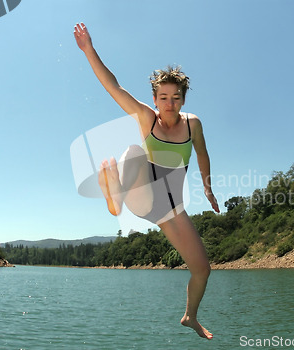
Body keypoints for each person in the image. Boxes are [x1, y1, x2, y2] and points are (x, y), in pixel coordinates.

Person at [73, 22, 220, 340]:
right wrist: (89, 50)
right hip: (141, 196)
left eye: (175, 98)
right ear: (155, 99)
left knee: (202, 269)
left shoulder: (193, 125)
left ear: (183, 100)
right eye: (163, 97)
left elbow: (203, 155)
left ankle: (190, 317)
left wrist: (207, 187)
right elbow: (115, 88)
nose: (169, 104)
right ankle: (115, 199)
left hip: (172, 209)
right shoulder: (146, 119)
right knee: (133, 151)